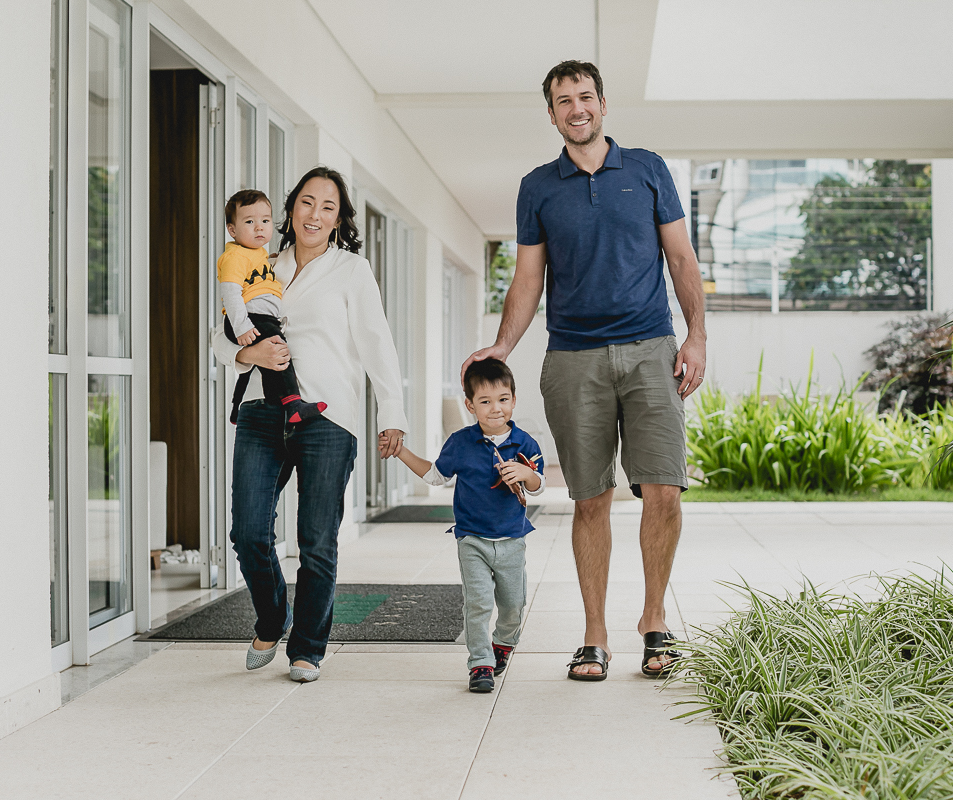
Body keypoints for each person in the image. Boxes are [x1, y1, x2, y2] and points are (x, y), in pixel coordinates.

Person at [463, 60, 707, 681]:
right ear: (551, 114)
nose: (577, 108)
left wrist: (696, 337)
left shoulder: (648, 169)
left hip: (651, 348)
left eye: (586, 96)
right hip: (573, 357)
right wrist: (501, 346)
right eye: (564, 100)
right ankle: (594, 633)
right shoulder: (538, 187)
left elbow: (681, 259)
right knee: (590, 499)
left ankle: (653, 620)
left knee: (664, 489)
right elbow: (528, 278)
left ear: (603, 103)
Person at [211, 167, 408, 682]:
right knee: (248, 531)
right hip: (261, 410)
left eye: (327, 206)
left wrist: (392, 413)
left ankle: (308, 647)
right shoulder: (261, 261)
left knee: (317, 540)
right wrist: (247, 353)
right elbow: (220, 335)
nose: (314, 214)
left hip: (328, 416)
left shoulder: (351, 270)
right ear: (291, 208)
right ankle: (273, 617)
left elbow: (377, 343)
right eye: (306, 202)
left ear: (338, 218)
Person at [380, 359, 544, 693]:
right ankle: (480, 662)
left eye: (503, 399)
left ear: (513, 400)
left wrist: (526, 474)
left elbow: (538, 484)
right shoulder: (460, 442)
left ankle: (503, 643)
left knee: (513, 605)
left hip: (512, 539)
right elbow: (435, 476)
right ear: (470, 406)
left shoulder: (524, 443)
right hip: (472, 540)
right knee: (478, 603)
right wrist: (401, 452)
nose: (495, 408)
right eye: (485, 401)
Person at [216, 188, 326, 426]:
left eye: (265, 221)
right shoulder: (235, 257)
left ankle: (236, 408)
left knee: (254, 367)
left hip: (259, 318)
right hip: (251, 318)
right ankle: (293, 404)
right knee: (279, 352)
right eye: (250, 222)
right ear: (232, 230)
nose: (259, 227)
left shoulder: (258, 255)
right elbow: (231, 293)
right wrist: (242, 326)